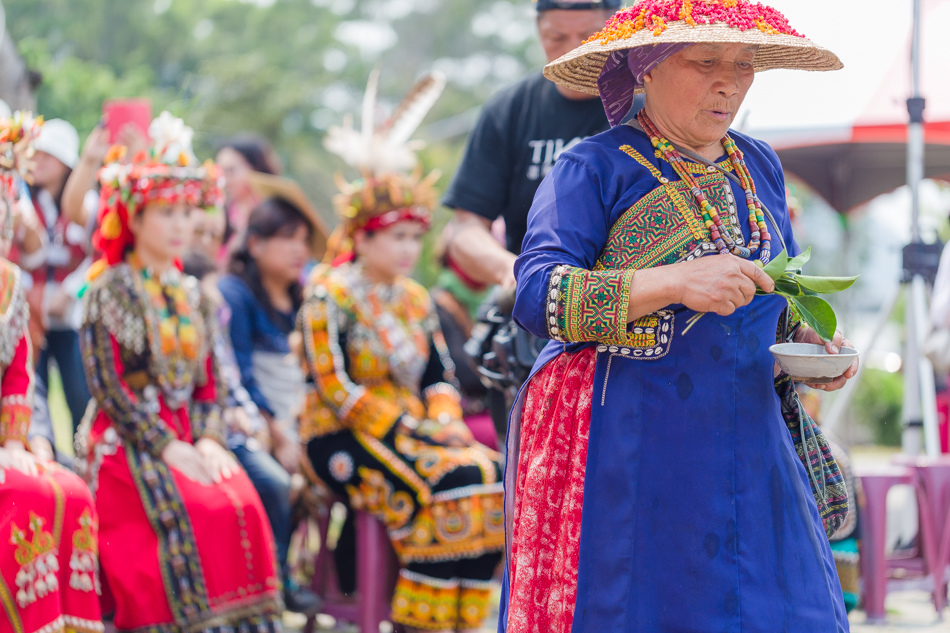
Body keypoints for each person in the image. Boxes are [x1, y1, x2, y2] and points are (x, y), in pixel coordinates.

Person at [502, 1, 860, 630]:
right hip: (632, 439)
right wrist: (671, 281)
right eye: (705, 61)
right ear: (644, 68)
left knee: (787, 610)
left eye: (744, 64)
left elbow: (774, 288)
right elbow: (538, 295)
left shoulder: (760, 165)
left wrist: (805, 342)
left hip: (749, 431)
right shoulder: (593, 166)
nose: (730, 81)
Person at [299, 73, 505, 633]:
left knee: (490, 473)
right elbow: (335, 388)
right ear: (361, 238)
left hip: (413, 430)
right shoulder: (328, 295)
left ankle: (462, 621)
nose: (410, 249)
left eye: (416, 237)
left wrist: (443, 419)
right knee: (446, 483)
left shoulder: (415, 297)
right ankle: (420, 625)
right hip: (339, 437)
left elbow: (439, 372)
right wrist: (412, 432)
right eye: (396, 237)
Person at [78, 112, 281, 631]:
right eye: (164, 212)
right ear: (134, 219)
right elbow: (109, 387)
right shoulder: (109, 290)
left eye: (184, 213)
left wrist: (211, 440)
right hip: (130, 439)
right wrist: (166, 445)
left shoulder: (192, 293)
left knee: (241, 503)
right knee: (198, 510)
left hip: (192, 432)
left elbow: (210, 379)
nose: (178, 226)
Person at [0, 112, 103, 633]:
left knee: (69, 485)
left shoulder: (8, 285)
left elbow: (18, 376)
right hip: (48, 312)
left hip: (64, 318)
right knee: (29, 491)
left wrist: (20, 440)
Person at [442, 0, 624, 287]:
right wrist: (514, 273)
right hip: (537, 303)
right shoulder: (508, 110)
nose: (574, 48)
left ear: (617, 28)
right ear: (539, 31)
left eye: (590, 36)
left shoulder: (649, 105)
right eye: (557, 37)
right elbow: (466, 228)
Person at [217, 177, 325, 614]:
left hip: (303, 424)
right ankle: (276, 585)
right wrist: (278, 433)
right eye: (286, 240)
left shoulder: (306, 297)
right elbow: (238, 374)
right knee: (276, 481)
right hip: (251, 424)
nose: (298, 250)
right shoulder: (235, 294)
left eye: (303, 241)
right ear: (256, 244)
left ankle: (344, 583)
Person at [26, 118, 92, 432]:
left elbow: (99, 257)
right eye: (34, 154)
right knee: (33, 394)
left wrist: (71, 291)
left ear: (66, 164)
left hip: (71, 318)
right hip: (32, 315)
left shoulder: (85, 204)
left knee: (80, 396)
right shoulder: (25, 202)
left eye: (46, 156)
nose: (36, 162)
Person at [215, 135, 281, 255]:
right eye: (220, 172)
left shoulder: (275, 212)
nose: (224, 179)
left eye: (231, 170)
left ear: (254, 167)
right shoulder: (221, 210)